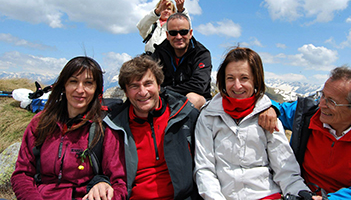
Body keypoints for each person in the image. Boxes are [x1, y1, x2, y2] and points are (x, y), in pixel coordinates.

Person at [194, 47, 310, 199]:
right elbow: (205, 169)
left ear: (256, 79)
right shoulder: (209, 115)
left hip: (266, 194)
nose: (237, 86)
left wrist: (300, 193)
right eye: (230, 78)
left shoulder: (267, 115)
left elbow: (285, 168)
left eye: (244, 78)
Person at [271, 66, 351, 199]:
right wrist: (272, 109)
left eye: (331, 101)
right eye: (322, 96)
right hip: (299, 191)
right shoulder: (307, 114)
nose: (321, 104)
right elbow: (276, 107)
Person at [11, 56, 127, 200]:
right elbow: (22, 174)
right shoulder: (41, 123)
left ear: (97, 89)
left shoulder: (103, 128)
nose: (80, 90)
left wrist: (106, 192)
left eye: (88, 83)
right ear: (63, 86)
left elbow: (119, 184)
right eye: (73, 81)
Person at [92, 54, 200, 199]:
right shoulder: (114, 127)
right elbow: (98, 171)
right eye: (134, 86)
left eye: (148, 84)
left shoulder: (185, 116)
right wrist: (100, 182)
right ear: (126, 92)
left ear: (159, 85)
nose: (143, 92)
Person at [152, 12, 211, 110]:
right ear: (167, 35)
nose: (178, 37)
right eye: (173, 33)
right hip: (165, 98)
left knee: (192, 98)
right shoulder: (160, 52)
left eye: (183, 32)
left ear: (190, 33)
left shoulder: (201, 54)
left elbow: (199, 85)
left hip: (196, 101)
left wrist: (164, 90)